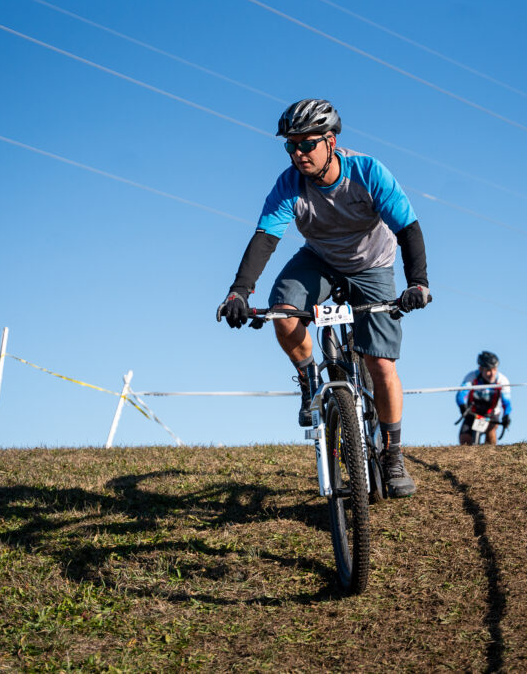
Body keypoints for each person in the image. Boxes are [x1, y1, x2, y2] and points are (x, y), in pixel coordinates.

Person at [216, 98, 430, 497]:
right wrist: (239, 292)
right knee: (283, 313)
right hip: (320, 260)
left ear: (330, 141)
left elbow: (408, 229)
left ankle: (393, 454)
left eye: (307, 144)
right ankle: (308, 378)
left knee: (381, 364)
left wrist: (418, 283)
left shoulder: (367, 171)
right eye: (291, 145)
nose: (298, 153)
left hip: (373, 265)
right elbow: (265, 239)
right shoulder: (289, 185)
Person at [456, 351, 511, 445]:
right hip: (473, 412)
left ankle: (490, 453)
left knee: (491, 433)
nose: (492, 373)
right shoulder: (472, 377)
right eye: (488, 370)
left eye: (494, 369)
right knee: (464, 439)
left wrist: (506, 415)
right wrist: (462, 406)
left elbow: (506, 403)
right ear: (481, 369)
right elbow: (460, 395)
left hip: (491, 413)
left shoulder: (502, 380)